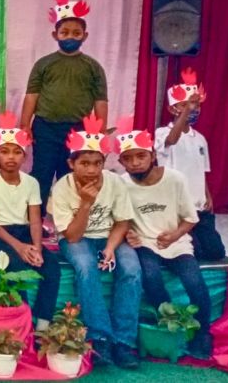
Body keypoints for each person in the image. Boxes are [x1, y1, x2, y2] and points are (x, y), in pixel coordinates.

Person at [114, 117, 212, 359]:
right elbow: (118, 219)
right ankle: (170, 322)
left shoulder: (175, 179)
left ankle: (203, 333)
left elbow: (191, 218)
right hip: (145, 243)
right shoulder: (121, 184)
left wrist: (175, 235)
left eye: (141, 156)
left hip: (177, 243)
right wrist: (128, 233)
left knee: (194, 281)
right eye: (128, 158)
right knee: (150, 275)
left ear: (153, 156)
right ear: (121, 162)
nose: (135, 163)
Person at [49, 112, 141, 369]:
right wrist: (86, 204)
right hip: (77, 237)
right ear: (71, 163)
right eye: (84, 163)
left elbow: (122, 221)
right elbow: (72, 235)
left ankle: (124, 342)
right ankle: (100, 337)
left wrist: (110, 248)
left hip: (110, 236)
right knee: (86, 267)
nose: (91, 170)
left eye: (97, 163)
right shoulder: (62, 188)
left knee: (132, 269)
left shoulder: (114, 182)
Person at [21, 0, 108, 212]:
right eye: (65, 32)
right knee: (41, 173)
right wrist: (25, 125)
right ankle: (36, 219)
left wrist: (100, 131)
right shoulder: (44, 64)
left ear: (85, 36)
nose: (70, 37)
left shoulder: (93, 67)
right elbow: (32, 95)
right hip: (45, 127)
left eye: (76, 33)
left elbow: (100, 100)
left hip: (78, 130)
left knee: (70, 176)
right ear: (55, 35)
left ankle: (67, 219)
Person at [0, 112, 60, 328]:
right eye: (5, 151)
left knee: (52, 267)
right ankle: (22, 324)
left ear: (24, 157)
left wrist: (36, 248)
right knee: (15, 267)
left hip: (25, 233)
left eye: (17, 152)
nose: (11, 157)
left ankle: (43, 324)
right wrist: (19, 247)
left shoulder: (31, 183)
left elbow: (35, 220)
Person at [155, 68, 226, 261]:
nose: (193, 109)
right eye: (184, 105)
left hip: (198, 204)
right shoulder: (162, 133)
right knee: (191, 251)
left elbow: (201, 170)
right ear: (172, 109)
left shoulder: (200, 139)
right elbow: (172, 140)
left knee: (215, 252)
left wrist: (207, 195)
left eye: (196, 105)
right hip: (176, 206)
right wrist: (186, 111)